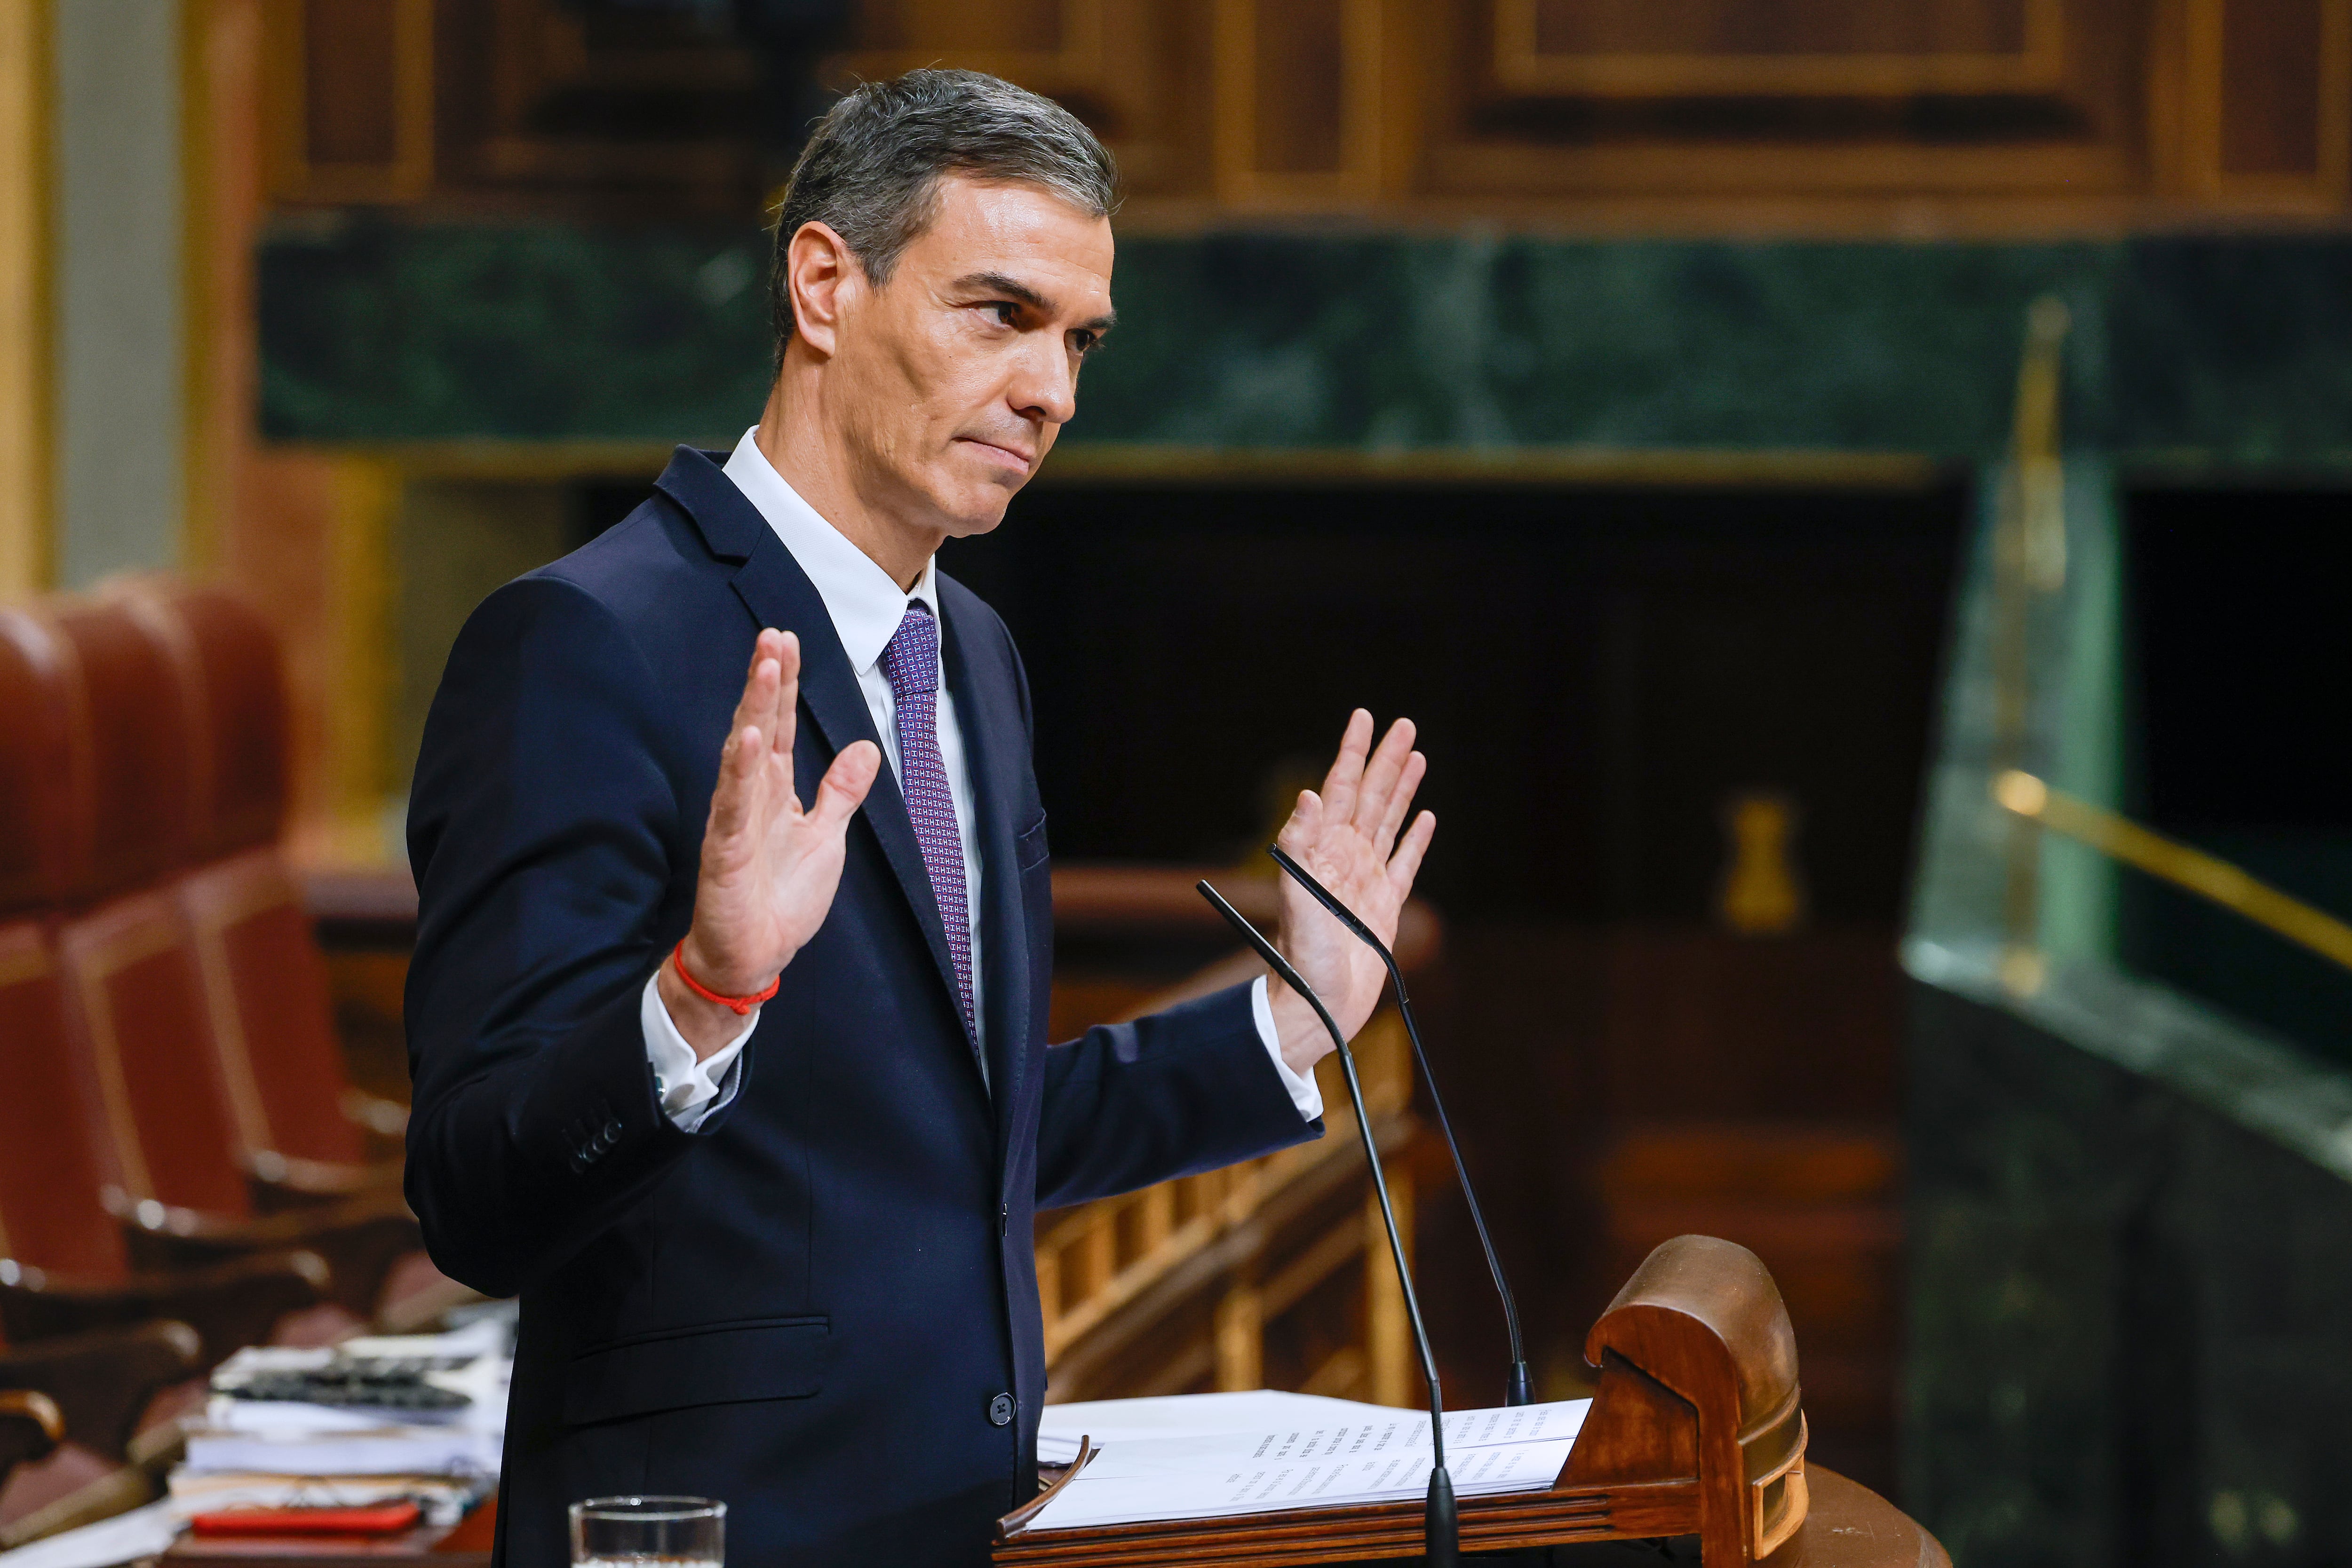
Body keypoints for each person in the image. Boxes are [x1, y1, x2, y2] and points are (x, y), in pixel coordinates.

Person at [403, 68, 1435, 1568]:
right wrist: (701, 996)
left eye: (1079, 341)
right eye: (1000, 315)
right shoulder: (585, 642)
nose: (1054, 392)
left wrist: (1291, 1019)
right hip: (714, 1536)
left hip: (968, 1526)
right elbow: (473, 1195)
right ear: (825, 284)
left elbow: (958, 1138)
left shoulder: (973, 656)